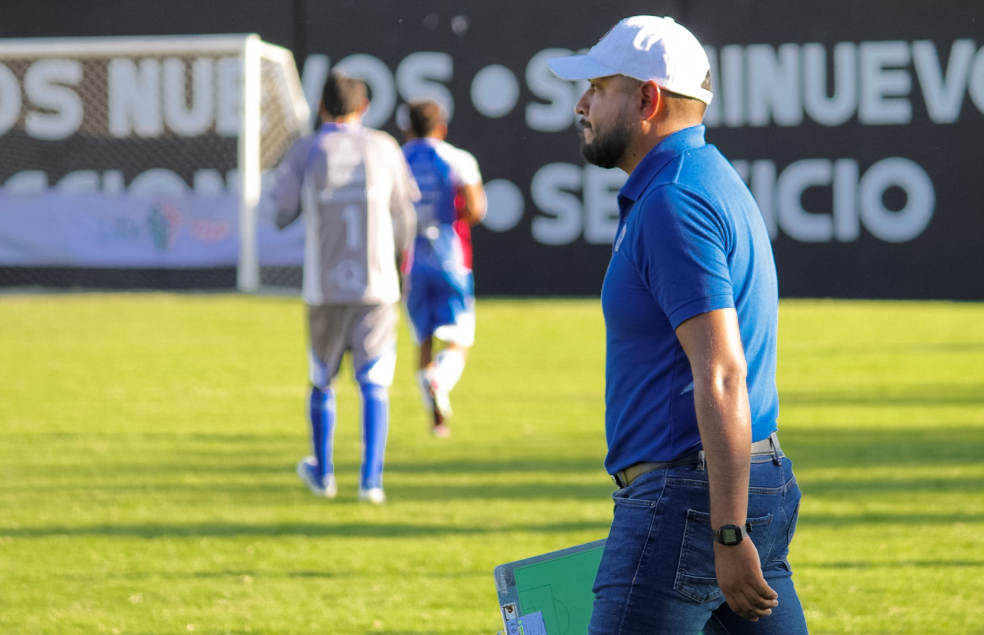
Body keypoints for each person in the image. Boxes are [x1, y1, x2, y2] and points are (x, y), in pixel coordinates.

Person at [548, 16, 808, 634]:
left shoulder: (673, 200)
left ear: (647, 99)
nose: (581, 104)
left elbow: (720, 371)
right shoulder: (701, 179)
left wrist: (727, 527)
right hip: (737, 484)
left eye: (597, 87)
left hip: (690, 498)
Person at [271, 72, 418, 504]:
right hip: (377, 285)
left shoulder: (307, 149)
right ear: (365, 107)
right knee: (374, 380)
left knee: (322, 378)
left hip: (324, 287)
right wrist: (397, 261)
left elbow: (281, 214)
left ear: (320, 109)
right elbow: (405, 215)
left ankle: (324, 473)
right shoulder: (383, 146)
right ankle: (371, 482)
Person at [399, 99, 487, 437]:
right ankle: (440, 381)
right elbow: (477, 208)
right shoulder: (458, 159)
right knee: (459, 339)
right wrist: (449, 221)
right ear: (442, 127)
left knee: (423, 340)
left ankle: (436, 421)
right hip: (450, 258)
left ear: (407, 128)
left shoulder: (398, 160)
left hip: (411, 260)